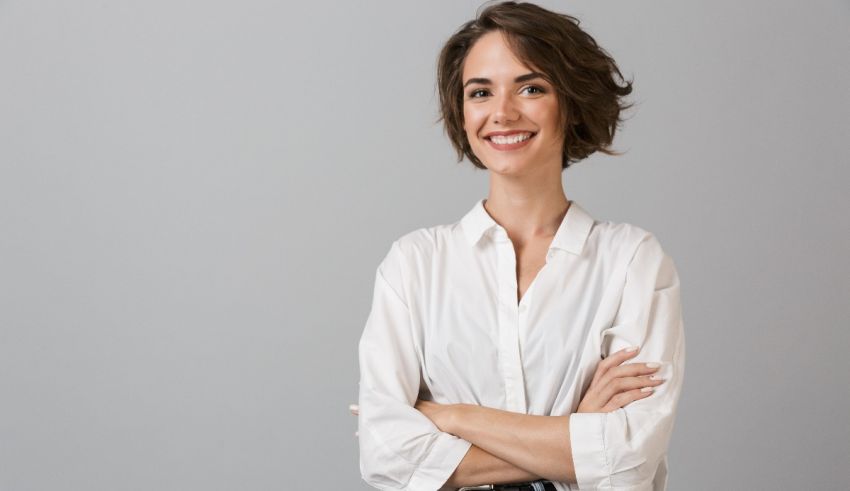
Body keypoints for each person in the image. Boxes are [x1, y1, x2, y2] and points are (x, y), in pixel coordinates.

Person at [353, 2, 685, 490]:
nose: (502, 113)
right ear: (462, 112)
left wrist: (452, 416)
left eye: (531, 88)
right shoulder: (414, 265)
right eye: (480, 92)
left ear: (570, 103)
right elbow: (386, 461)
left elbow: (629, 460)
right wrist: (575, 431)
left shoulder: (631, 261)